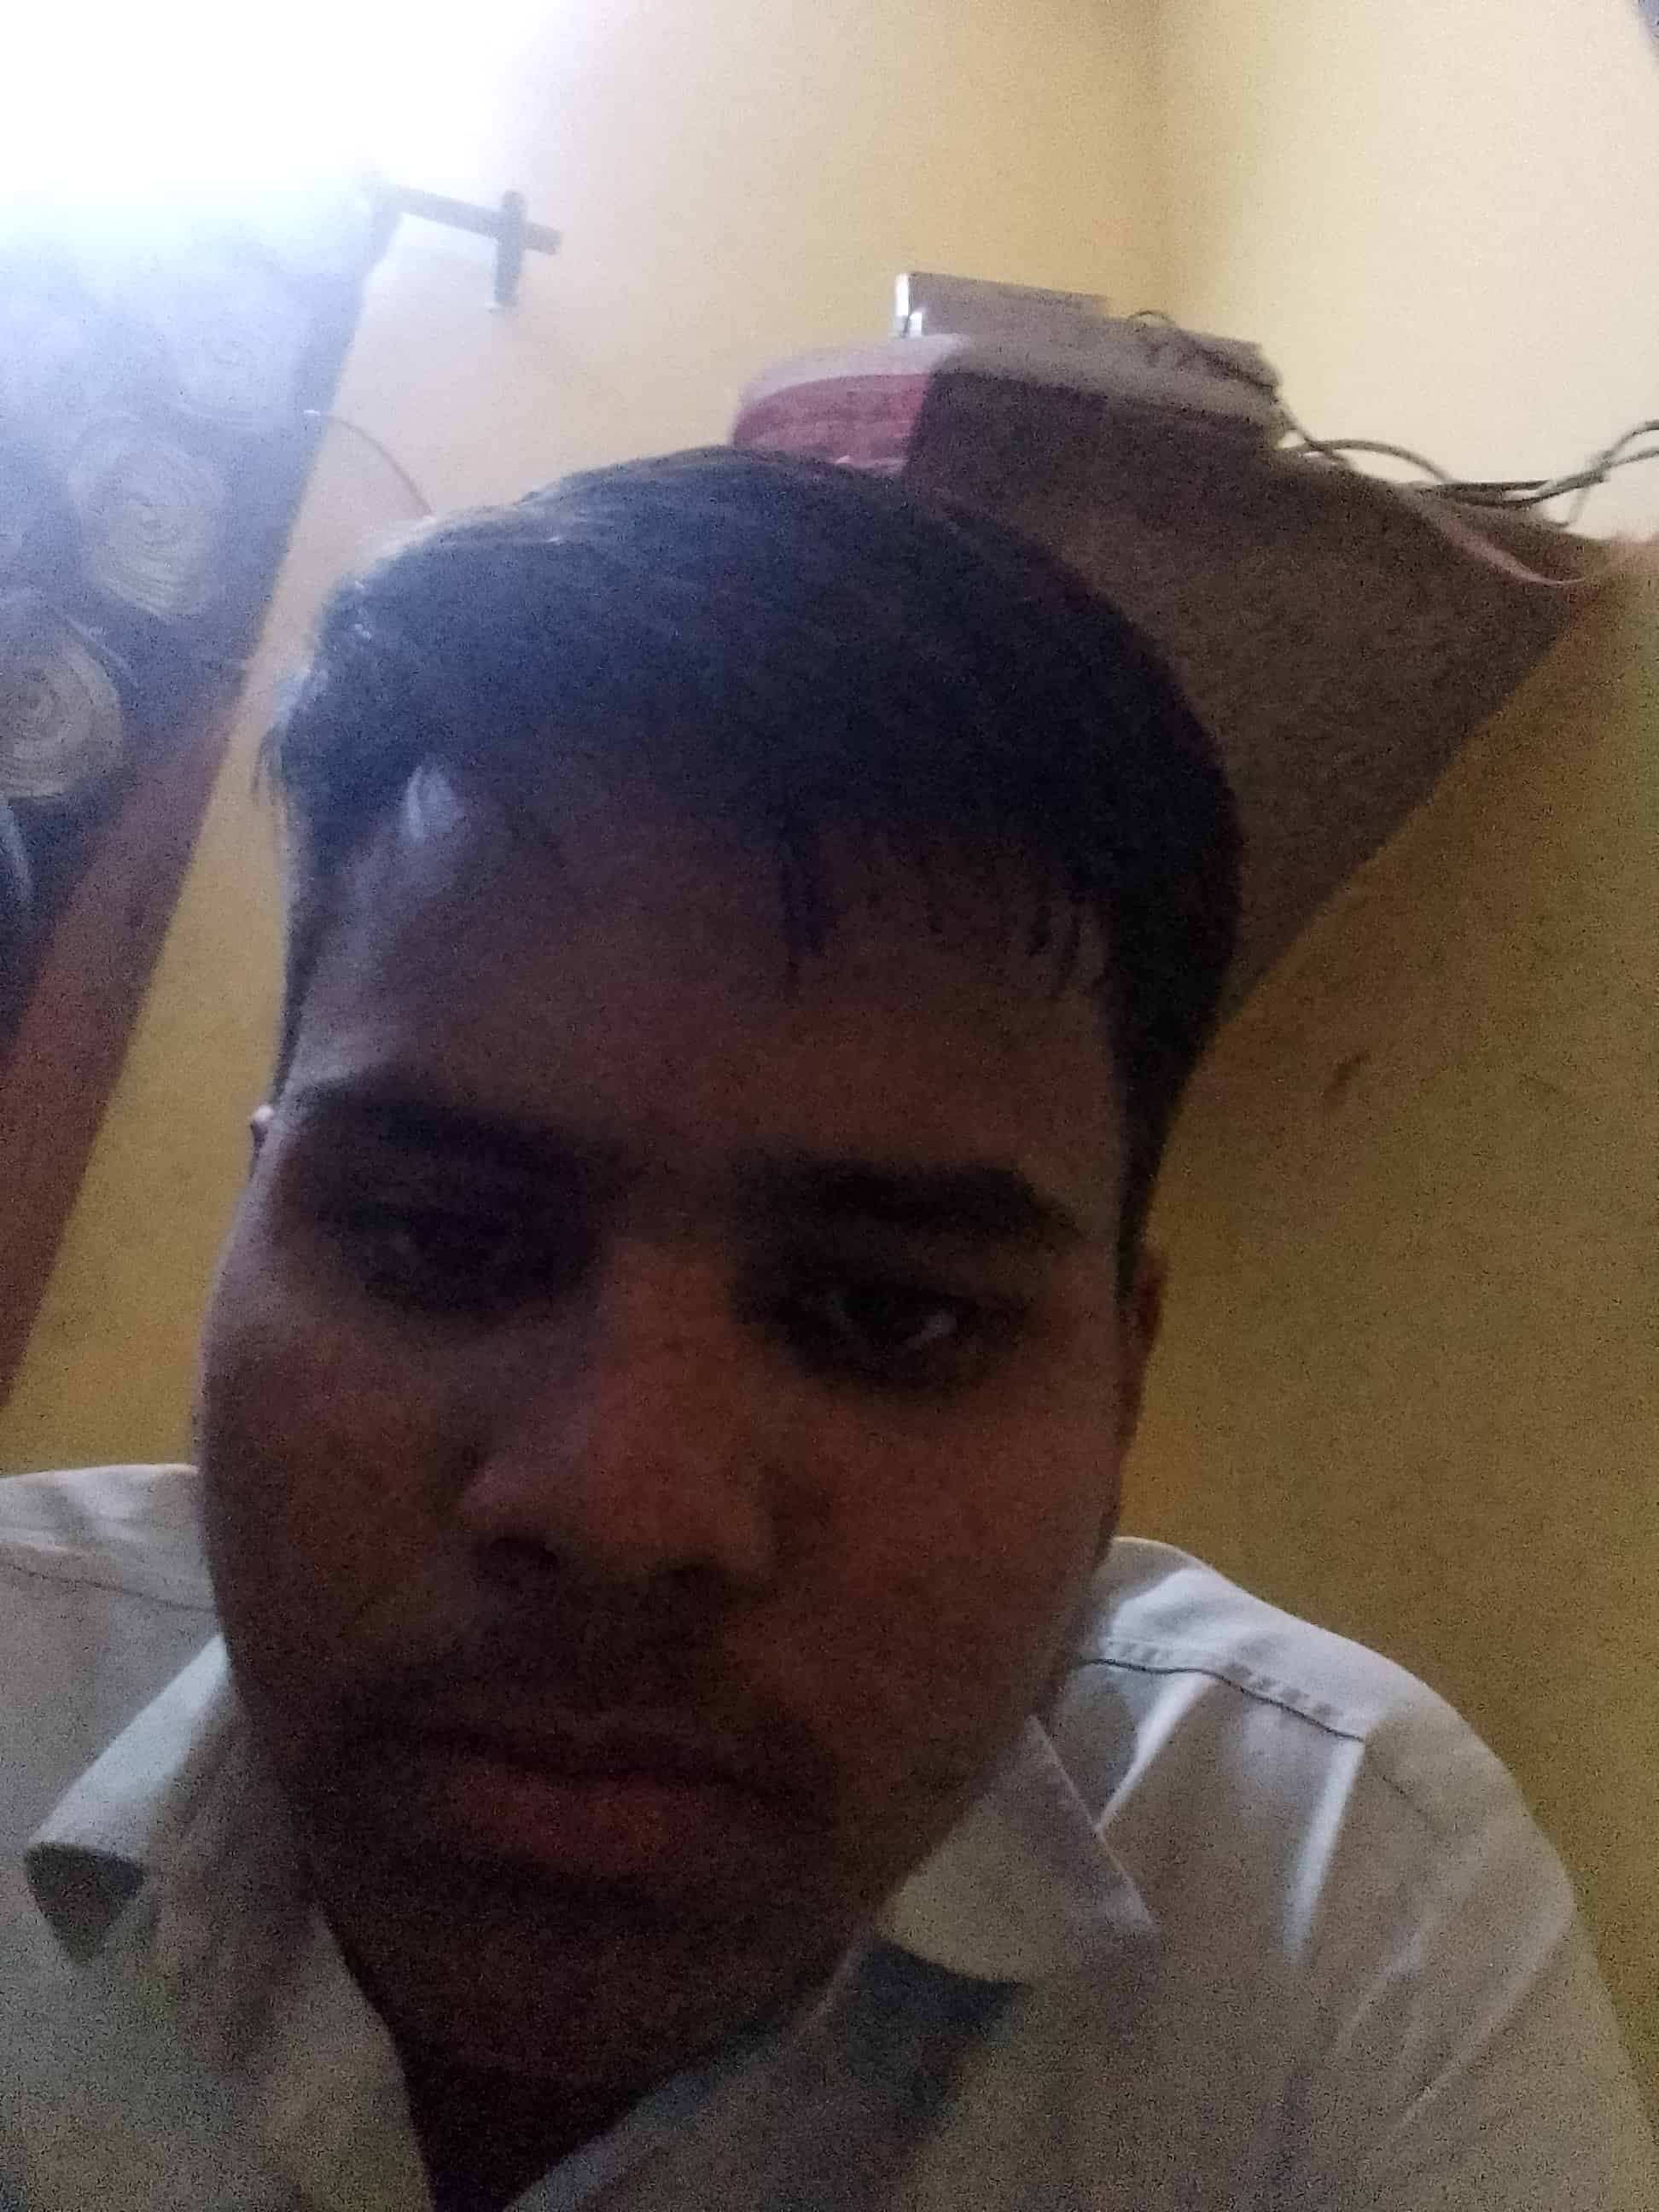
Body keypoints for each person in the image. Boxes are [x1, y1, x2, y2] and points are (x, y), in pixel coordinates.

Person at [0, 449, 1652, 2212]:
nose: (625, 1507)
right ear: (249, 1222)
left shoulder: (1340, 1901)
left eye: (888, 1314)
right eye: (441, 1239)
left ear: (1121, 1384)